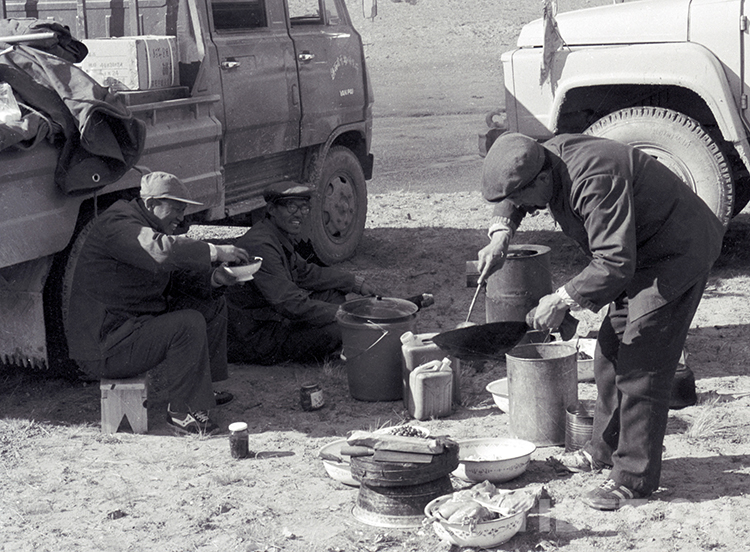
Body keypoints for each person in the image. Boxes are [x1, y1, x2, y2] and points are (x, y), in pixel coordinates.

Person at [476, 132, 725, 510]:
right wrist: (500, 235)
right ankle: (604, 451)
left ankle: (633, 478)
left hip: (676, 252)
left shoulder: (594, 180)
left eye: (524, 199)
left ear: (541, 179)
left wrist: (562, 299)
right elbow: (514, 189)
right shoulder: (542, 160)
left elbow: (613, 262)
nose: (525, 207)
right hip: (637, 252)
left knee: (642, 364)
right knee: (609, 353)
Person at [66, 172, 252, 435]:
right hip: (106, 347)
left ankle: (200, 391)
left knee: (210, 304)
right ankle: (183, 414)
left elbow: (174, 279)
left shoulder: (143, 224)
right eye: (176, 209)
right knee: (187, 324)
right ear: (152, 204)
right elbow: (160, 251)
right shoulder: (118, 223)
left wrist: (215, 279)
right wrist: (214, 250)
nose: (181, 218)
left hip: (128, 330)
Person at [226, 182, 381, 365]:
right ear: (272, 209)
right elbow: (290, 304)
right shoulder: (261, 244)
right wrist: (344, 314)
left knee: (332, 294)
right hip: (256, 337)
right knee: (340, 329)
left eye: (304, 207)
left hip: (272, 320)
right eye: (292, 207)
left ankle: (329, 343)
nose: (299, 214)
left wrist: (354, 282)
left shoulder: (274, 234)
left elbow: (306, 273)